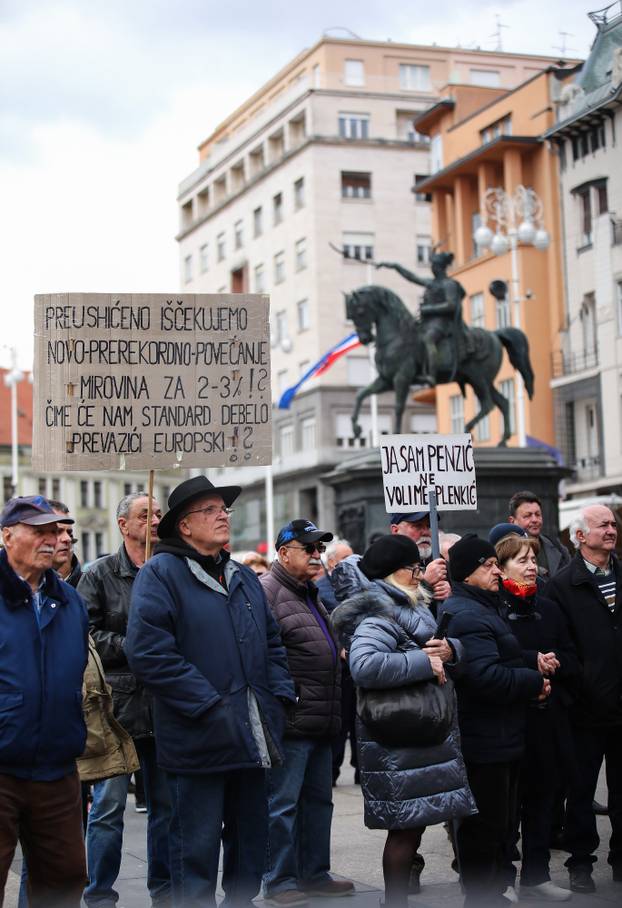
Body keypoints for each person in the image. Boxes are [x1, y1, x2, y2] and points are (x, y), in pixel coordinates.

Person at [126, 476, 295, 908]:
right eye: (210, 510)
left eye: (224, 509)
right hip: (198, 735)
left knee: (250, 840)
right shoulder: (160, 574)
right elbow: (149, 654)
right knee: (194, 848)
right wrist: (208, 705)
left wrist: (278, 697)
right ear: (184, 525)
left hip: (251, 734)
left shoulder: (243, 575)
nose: (223, 516)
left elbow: (272, 642)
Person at [331, 534, 476, 908]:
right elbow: (364, 666)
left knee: (412, 826)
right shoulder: (377, 614)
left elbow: (436, 649)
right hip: (400, 735)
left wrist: (451, 650)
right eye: (413, 568)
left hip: (418, 732)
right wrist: (424, 662)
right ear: (393, 573)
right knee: (405, 830)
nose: (419, 574)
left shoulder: (407, 604)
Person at [440, 535, 548, 908]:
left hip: (499, 734)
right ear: (467, 573)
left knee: (498, 825)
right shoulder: (468, 614)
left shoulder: (483, 606)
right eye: (487, 566)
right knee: (484, 828)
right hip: (485, 738)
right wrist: (533, 682)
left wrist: (531, 660)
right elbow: (485, 677)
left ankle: (492, 892)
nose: (496, 572)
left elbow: (499, 655)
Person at [78, 492, 171, 908]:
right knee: (108, 807)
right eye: (145, 514)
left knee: (166, 807)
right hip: (117, 710)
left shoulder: (169, 570)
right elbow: (85, 634)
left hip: (164, 705)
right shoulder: (99, 574)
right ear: (123, 525)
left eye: (158, 513)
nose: (155, 520)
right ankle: (100, 893)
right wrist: (131, 645)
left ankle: (164, 890)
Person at [0, 495, 89, 907]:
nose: (52, 539)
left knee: (65, 878)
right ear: (7, 536)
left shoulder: (71, 602)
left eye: (56, 530)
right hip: (2, 765)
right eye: (39, 531)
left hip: (56, 767)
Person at [261, 520, 354, 906]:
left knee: (318, 802)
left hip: (319, 718)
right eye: (309, 549)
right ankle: (279, 880)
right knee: (282, 804)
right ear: (284, 553)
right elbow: (263, 657)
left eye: (319, 549)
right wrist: (287, 700)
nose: (317, 556)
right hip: (291, 720)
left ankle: (314, 873)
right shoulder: (268, 591)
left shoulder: (308, 592)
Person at [495, 531, 578, 902]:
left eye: (533, 559)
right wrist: (532, 665)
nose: (531, 566)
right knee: (506, 807)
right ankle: (501, 879)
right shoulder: (495, 610)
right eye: (522, 560)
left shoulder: (550, 607)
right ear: (501, 568)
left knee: (543, 799)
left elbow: (573, 656)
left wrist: (555, 665)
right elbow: (494, 660)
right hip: (509, 721)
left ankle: (537, 875)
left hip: (548, 720)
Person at [544, 505, 622, 893]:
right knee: (581, 790)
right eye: (602, 525)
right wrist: (581, 683)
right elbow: (560, 646)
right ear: (580, 536)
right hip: (584, 707)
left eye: (613, 524)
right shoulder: (562, 585)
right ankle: (580, 862)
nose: (611, 530)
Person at [314, 538, 357, 786]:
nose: (350, 563)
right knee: (340, 723)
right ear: (331, 563)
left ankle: (361, 770)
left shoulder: (358, 585)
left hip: (359, 664)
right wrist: (340, 646)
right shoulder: (320, 589)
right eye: (344, 558)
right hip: (339, 668)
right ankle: (330, 772)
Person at [389, 512, 451, 603]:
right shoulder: (384, 564)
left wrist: (451, 594)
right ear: (395, 530)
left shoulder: (440, 562)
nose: (426, 532)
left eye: (429, 526)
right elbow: (386, 604)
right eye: (417, 526)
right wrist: (425, 584)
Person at [508, 491, 570, 579]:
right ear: (512, 521)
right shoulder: (505, 552)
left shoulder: (558, 547)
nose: (535, 520)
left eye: (538, 514)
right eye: (527, 516)